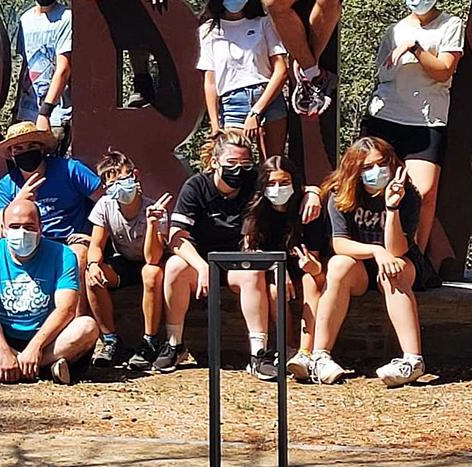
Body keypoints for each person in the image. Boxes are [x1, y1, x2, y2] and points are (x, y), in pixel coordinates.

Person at [160, 130, 321, 380]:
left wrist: (313, 192)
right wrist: (202, 267)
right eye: (231, 164)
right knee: (174, 267)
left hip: (240, 262)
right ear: (214, 162)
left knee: (254, 269)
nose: (238, 170)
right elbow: (176, 237)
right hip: (202, 262)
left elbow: (290, 184)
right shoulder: (196, 187)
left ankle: (259, 354)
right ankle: (174, 344)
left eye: (245, 164)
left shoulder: (252, 184)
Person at [360, 0, 462, 261]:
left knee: (423, 191)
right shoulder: (395, 29)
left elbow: (444, 71)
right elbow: (383, 72)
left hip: (426, 121)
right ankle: (376, 253)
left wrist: (415, 50)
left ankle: (415, 258)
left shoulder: (450, 25)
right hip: (385, 117)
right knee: (374, 186)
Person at [310, 138, 426, 387]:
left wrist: (392, 207)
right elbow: (339, 244)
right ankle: (320, 356)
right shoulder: (341, 193)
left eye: (382, 163)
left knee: (394, 270)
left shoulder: (409, 195)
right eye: (367, 167)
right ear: (355, 170)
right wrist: (375, 251)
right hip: (359, 268)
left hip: (398, 265)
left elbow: (398, 249)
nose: (376, 171)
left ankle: (412, 360)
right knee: (339, 264)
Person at [0, 199, 98, 385]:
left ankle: (2, 369)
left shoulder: (63, 255)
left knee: (87, 327)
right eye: (15, 226)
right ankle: (41, 368)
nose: (22, 232)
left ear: (40, 228)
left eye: (29, 226)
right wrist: (2, 349)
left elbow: (66, 309)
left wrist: (36, 346)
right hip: (1, 337)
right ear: (3, 229)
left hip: (48, 339)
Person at [241, 156, 330, 382]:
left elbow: (316, 264)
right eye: (271, 183)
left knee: (311, 280)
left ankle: (306, 353)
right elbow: (250, 252)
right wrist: (277, 270)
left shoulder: (308, 209)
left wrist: (312, 267)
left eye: (284, 182)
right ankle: (286, 348)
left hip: (308, 272)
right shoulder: (256, 210)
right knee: (273, 291)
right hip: (275, 273)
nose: (277, 189)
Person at [79, 150, 169, 370]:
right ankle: (110, 340)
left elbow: (153, 257)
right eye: (112, 184)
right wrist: (92, 265)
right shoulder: (105, 206)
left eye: (123, 179)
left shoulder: (155, 209)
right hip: (124, 262)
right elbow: (97, 245)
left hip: (152, 261)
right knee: (92, 277)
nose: (119, 187)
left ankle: (150, 341)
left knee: (151, 272)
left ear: (135, 176)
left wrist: (153, 224)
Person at [197, 0, 289, 157]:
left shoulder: (263, 23)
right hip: (232, 103)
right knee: (234, 165)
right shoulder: (208, 30)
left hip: (268, 98)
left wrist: (256, 111)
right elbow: (210, 81)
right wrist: (215, 125)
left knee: (272, 165)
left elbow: (280, 69)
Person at [0, 121, 102, 247]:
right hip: (30, 245)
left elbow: (107, 204)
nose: (26, 152)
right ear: (11, 154)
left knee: (78, 255)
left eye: (32, 146)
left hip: (71, 242)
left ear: (42, 148)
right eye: (19, 149)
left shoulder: (71, 170)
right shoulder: (5, 186)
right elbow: (3, 231)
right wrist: (19, 201)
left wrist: (95, 240)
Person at [17, 0, 73, 150]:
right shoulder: (25, 20)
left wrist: (45, 112)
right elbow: (24, 66)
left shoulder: (66, 17)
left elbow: (64, 69)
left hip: (54, 114)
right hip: (26, 113)